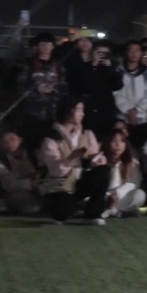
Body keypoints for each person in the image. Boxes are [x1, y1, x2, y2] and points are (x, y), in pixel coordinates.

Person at [38, 96, 110, 225]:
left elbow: (95, 154)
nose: (83, 114)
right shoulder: (52, 138)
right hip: (59, 185)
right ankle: (59, 206)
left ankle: (93, 214)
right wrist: (71, 158)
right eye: (79, 110)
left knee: (103, 171)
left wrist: (97, 160)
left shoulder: (86, 134)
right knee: (63, 213)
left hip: (79, 181)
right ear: (69, 111)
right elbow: (55, 170)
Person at [101, 130, 146, 218]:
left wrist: (116, 194)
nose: (118, 145)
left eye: (121, 141)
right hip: (104, 196)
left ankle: (114, 210)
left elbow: (133, 183)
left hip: (121, 197)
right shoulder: (101, 159)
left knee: (140, 195)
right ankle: (115, 211)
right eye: (114, 141)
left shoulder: (131, 162)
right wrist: (109, 196)